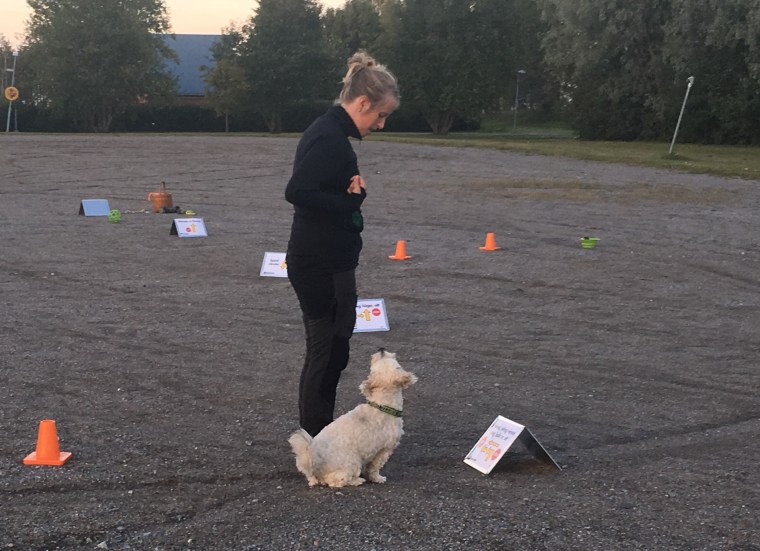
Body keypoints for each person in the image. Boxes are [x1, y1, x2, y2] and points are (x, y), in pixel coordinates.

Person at [285, 52, 400, 437]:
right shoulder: (330, 138)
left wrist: (350, 200)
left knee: (333, 351)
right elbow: (297, 191)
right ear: (362, 103)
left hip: (327, 259)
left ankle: (318, 433)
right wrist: (351, 201)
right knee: (326, 351)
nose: (381, 124)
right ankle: (316, 440)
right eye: (380, 115)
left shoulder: (330, 132)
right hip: (321, 263)